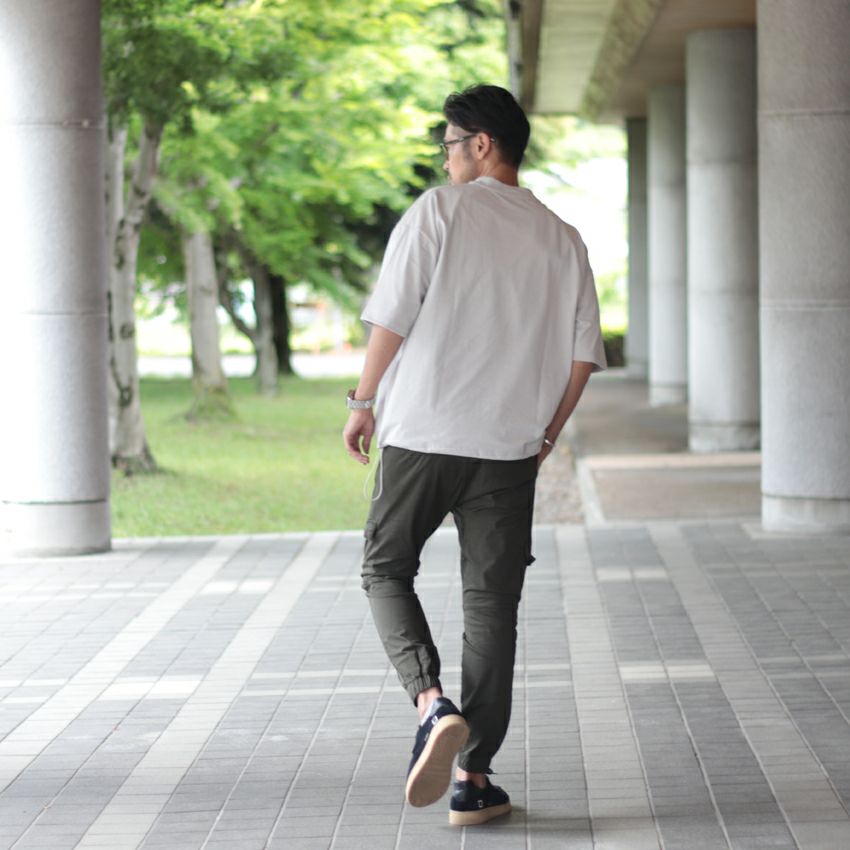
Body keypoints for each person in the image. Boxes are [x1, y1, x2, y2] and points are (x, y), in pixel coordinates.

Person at [342, 83, 606, 826]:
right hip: (509, 450)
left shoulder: (440, 210)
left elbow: (392, 317)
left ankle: (432, 704)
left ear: (481, 144)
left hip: (424, 433)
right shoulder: (564, 238)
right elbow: (583, 357)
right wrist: (545, 435)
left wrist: (362, 401)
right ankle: (474, 780)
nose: (446, 158)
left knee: (385, 567)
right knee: (493, 607)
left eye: (450, 144)